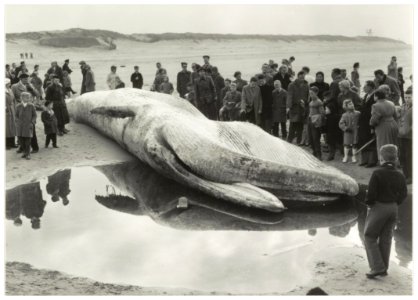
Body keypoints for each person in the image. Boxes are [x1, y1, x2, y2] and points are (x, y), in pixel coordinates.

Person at [364, 144, 407, 279]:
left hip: (379, 207)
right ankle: (383, 268)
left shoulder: (377, 173)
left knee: (369, 236)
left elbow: (371, 195)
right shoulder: (400, 174)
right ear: (395, 158)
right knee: (386, 238)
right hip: (393, 208)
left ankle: (377, 267)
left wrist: (370, 204)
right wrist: (395, 203)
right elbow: (404, 194)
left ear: (381, 157)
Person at [369, 90, 399, 162]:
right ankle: (395, 160)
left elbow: (374, 119)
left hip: (383, 126)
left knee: (383, 144)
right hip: (393, 124)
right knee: (393, 143)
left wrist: (371, 125)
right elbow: (395, 116)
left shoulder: (376, 105)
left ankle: (384, 161)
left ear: (376, 97)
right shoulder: (391, 103)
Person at [358, 81, 378, 168]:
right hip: (364, 122)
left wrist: (372, 125)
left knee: (371, 141)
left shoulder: (375, 96)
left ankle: (372, 161)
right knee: (364, 140)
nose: (363, 88)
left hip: (370, 122)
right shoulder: (366, 96)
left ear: (370, 87)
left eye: (365, 86)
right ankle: (365, 160)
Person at [286, 71, 309, 145]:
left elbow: (308, 96)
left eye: (303, 77)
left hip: (302, 107)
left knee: (300, 125)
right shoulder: (292, 85)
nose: (302, 78)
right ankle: (289, 139)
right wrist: (289, 106)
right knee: (293, 124)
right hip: (294, 107)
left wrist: (305, 104)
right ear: (297, 76)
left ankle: (299, 140)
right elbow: (289, 96)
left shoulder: (306, 85)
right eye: (300, 76)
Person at [15, 92, 37, 160]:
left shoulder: (31, 106)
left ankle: (28, 154)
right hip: (20, 126)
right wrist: (18, 121)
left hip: (28, 126)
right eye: (26, 97)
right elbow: (16, 115)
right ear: (21, 98)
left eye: (28, 97)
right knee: (21, 140)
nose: (28, 99)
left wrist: (32, 122)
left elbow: (34, 115)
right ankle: (24, 152)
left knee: (27, 140)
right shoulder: (18, 106)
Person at [398, 89, 412, 184]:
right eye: (406, 97)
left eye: (409, 97)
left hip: (411, 136)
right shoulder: (402, 107)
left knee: (409, 156)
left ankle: (411, 176)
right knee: (401, 156)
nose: (407, 99)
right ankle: (405, 174)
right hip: (401, 135)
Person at [307, 86, 325, 160]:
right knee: (310, 138)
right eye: (310, 93)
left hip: (315, 122)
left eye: (312, 93)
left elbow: (322, 113)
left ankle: (318, 154)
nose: (310, 95)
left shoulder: (319, 102)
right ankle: (314, 152)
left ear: (316, 93)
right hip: (310, 120)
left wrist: (317, 121)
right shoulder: (311, 102)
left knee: (316, 138)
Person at [5, 78, 17, 149]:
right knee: (7, 128)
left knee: (12, 127)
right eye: (9, 83)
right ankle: (6, 144)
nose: (10, 84)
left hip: (12, 109)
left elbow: (13, 99)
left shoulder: (10, 90)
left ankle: (12, 143)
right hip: (6, 110)